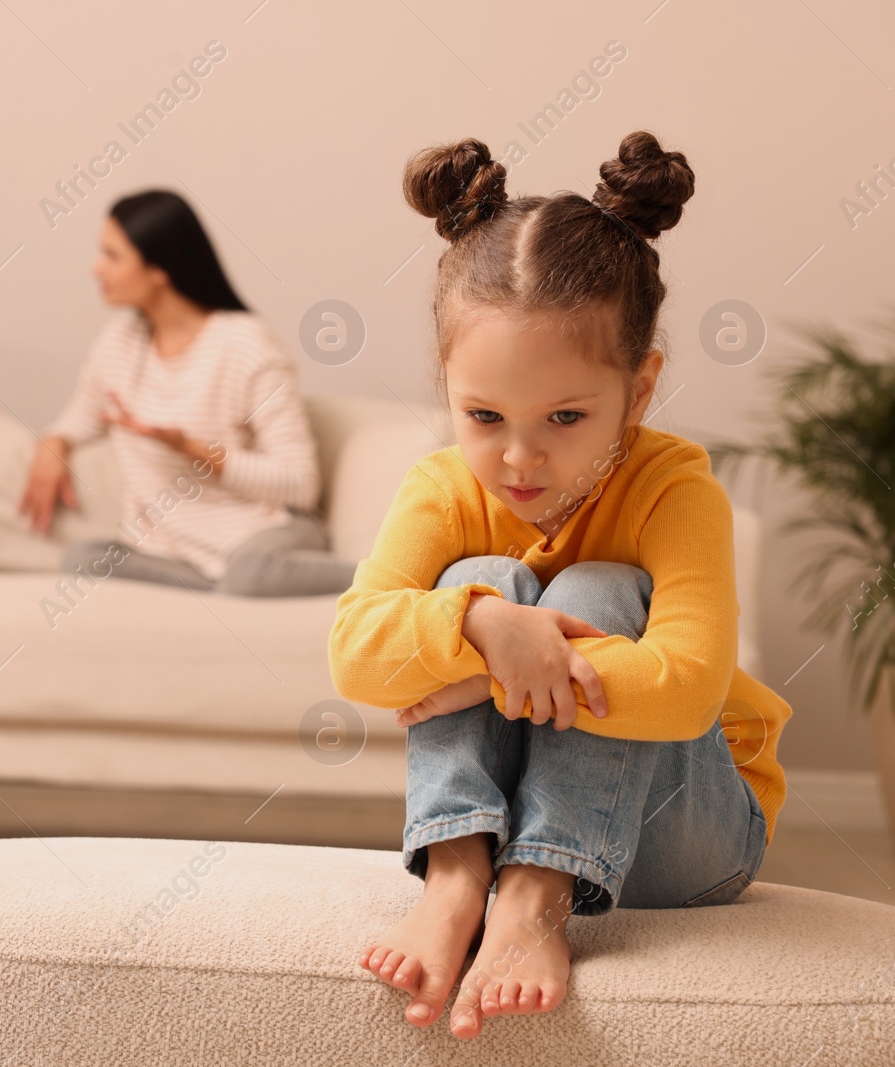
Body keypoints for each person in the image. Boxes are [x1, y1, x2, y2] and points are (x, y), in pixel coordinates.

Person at [327, 132, 791, 1040]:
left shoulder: (676, 490)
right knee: (477, 584)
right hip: (496, 821)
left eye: (566, 417)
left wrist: (489, 671)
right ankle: (459, 878)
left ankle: (537, 895)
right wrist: (490, 625)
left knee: (598, 582)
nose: (519, 456)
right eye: (484, 415)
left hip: (688, 830)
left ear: (641, 385)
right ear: (447, 386)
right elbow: (353, 652)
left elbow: (690, 686)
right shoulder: (442, 489)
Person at [19, 189, 356, 596]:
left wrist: (192, 448)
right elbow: (76, 422)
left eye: (112, 256)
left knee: (249, 573)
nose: (96, 270)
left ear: (159, 268)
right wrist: (52, 444)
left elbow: (301, 484)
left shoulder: (247, 345)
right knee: (83, 559)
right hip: (174, 552)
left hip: (263, 535)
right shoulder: (119, 344)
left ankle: (393, 580)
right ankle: (221, 587)